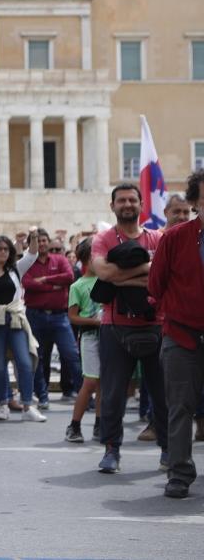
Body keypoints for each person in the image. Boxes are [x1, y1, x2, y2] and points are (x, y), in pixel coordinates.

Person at [90, 183, 168, 475]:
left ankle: (168, 449)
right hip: (114, 327)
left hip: (156, 324)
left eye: (132, 199)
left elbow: (162, 279)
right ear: (112, 206)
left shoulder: (158, 238)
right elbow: (104, 273)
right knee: (112, 393)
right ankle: (112, 450)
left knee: (163, 394)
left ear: (141, 205)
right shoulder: (103, 239)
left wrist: (120, 279)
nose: (127, 204)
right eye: (121, 200)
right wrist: (146, 267)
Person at [148, 169, 204, 498]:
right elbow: (155, 285)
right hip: (181, 336)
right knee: (180, 407)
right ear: (195, 201)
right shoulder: (174, 238)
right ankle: (179, 473)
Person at [0, 233, 46, 422]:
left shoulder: (16, 269)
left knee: (24, 363)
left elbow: (32, 255)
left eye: (6, 249)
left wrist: (33, 237)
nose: (2, 252)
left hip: (15, 321)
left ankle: (27, 405)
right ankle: (3, 404)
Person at [22, 228, 80, 408]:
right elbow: (27, 283)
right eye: (38, 241)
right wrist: (53, 286)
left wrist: (44, 279)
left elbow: (68, 276)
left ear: (48, 241)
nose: (42, 244)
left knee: (72, 355)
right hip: (35, 316)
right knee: (38, 358)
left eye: (44, 240)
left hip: (59, 317)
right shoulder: (27, 263)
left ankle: (85, 394)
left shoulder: (60, 259)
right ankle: (42, 395)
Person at [65, 237, 102, 443]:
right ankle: (74, 425)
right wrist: (93, 322)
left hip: (108, 337)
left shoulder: (108, 280)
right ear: (87, 259)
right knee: (90, 382)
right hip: (90, 337)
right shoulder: (78, 285)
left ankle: (99, 424)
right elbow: (72, 316)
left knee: (103, 383)